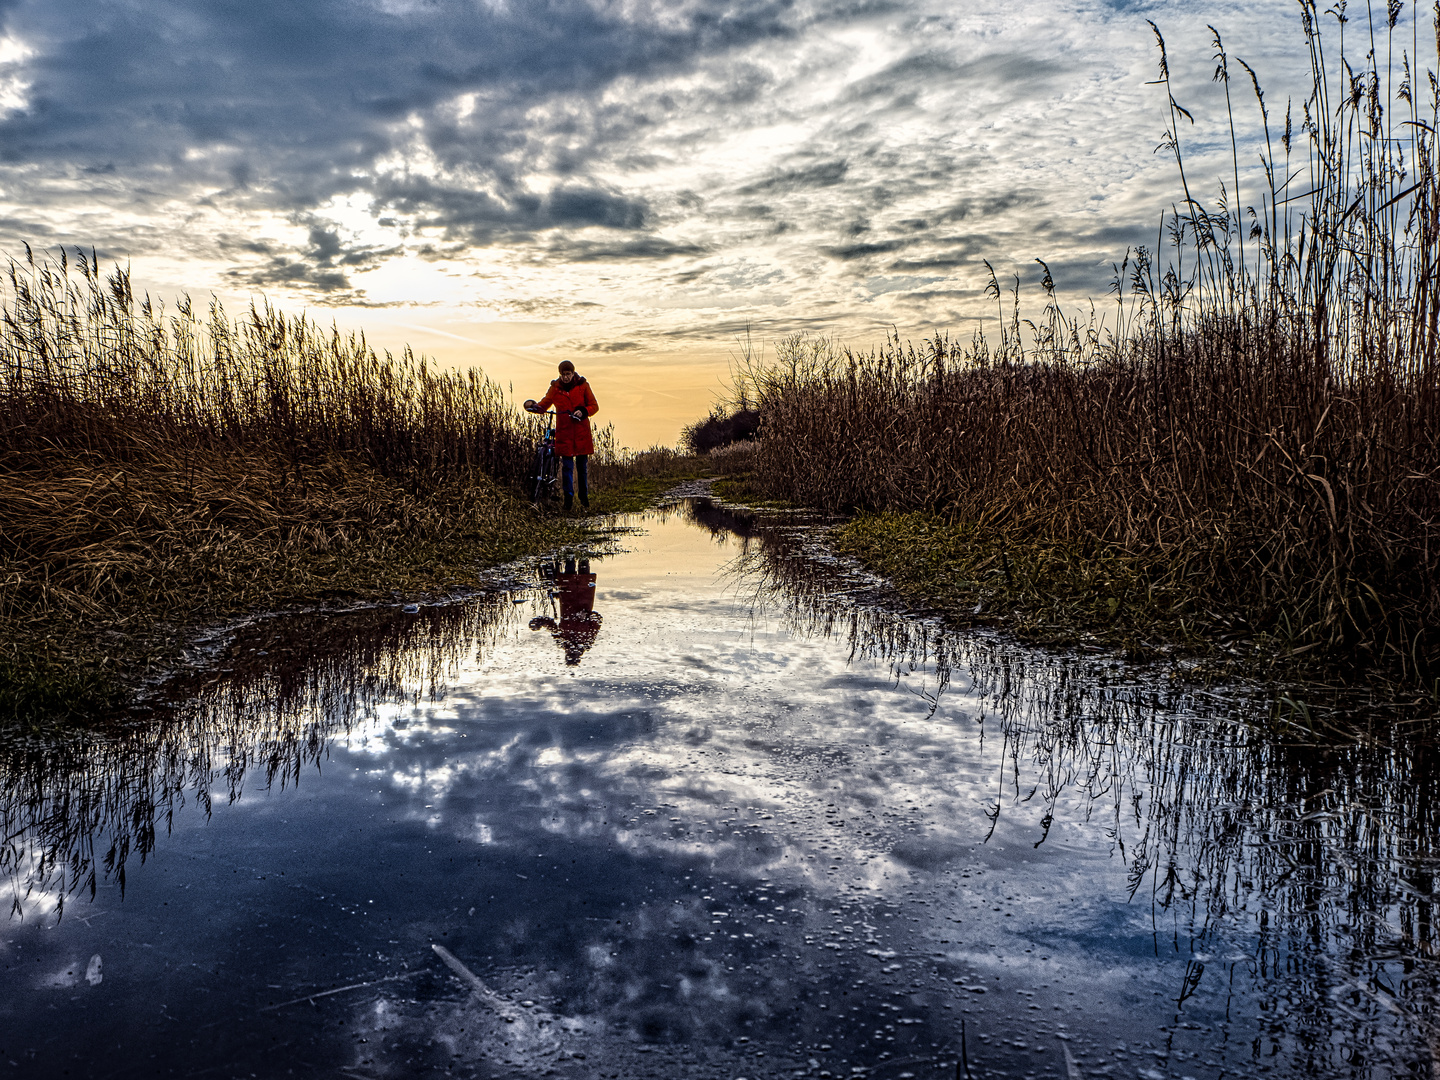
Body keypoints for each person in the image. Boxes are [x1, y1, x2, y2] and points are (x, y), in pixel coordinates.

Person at [524, 360, 599, 512]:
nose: (565, 377)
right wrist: (534, 406)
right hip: (564, 433)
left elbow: (594, 406)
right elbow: (545, 404)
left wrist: (584, 411)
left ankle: (584, 499)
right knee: (567, 468)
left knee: (582, 468)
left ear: (573, 373)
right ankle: (568, 500)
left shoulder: (583, 386)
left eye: (568, 374)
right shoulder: (555, 389)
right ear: (560, 374)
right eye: (563, 374)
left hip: (581, 433)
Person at [529, 557, 602, 665]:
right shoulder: (588, 641)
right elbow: (598, 619)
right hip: (585, 595)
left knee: (570, 563)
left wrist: (538, 622)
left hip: (568, 596)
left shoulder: (562, 641)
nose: (572, 653)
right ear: (579, 656)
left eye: (569, 655)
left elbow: (551, 625)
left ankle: (571, 550)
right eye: (574, 656)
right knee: (584, 562)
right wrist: (586, 616)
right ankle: (584, 547)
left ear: (566, 654)